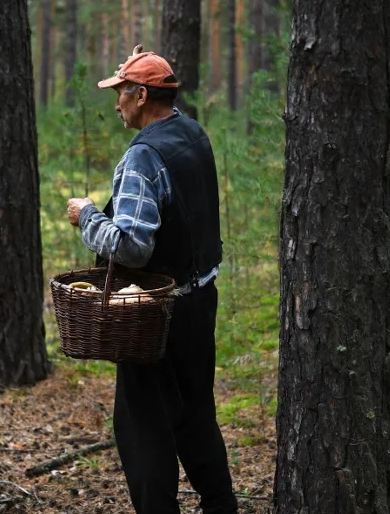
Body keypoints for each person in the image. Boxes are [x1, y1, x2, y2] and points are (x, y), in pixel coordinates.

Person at [66, 47, 238, 514]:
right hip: (201, 301)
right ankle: (222, 506)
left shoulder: (143, 157)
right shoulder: (193, 133)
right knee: (197, 415)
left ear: (142, 96)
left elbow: (131, 247)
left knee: (142, 430)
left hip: (154, 315)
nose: (116, 103)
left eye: (121, 93)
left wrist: (87, 216)